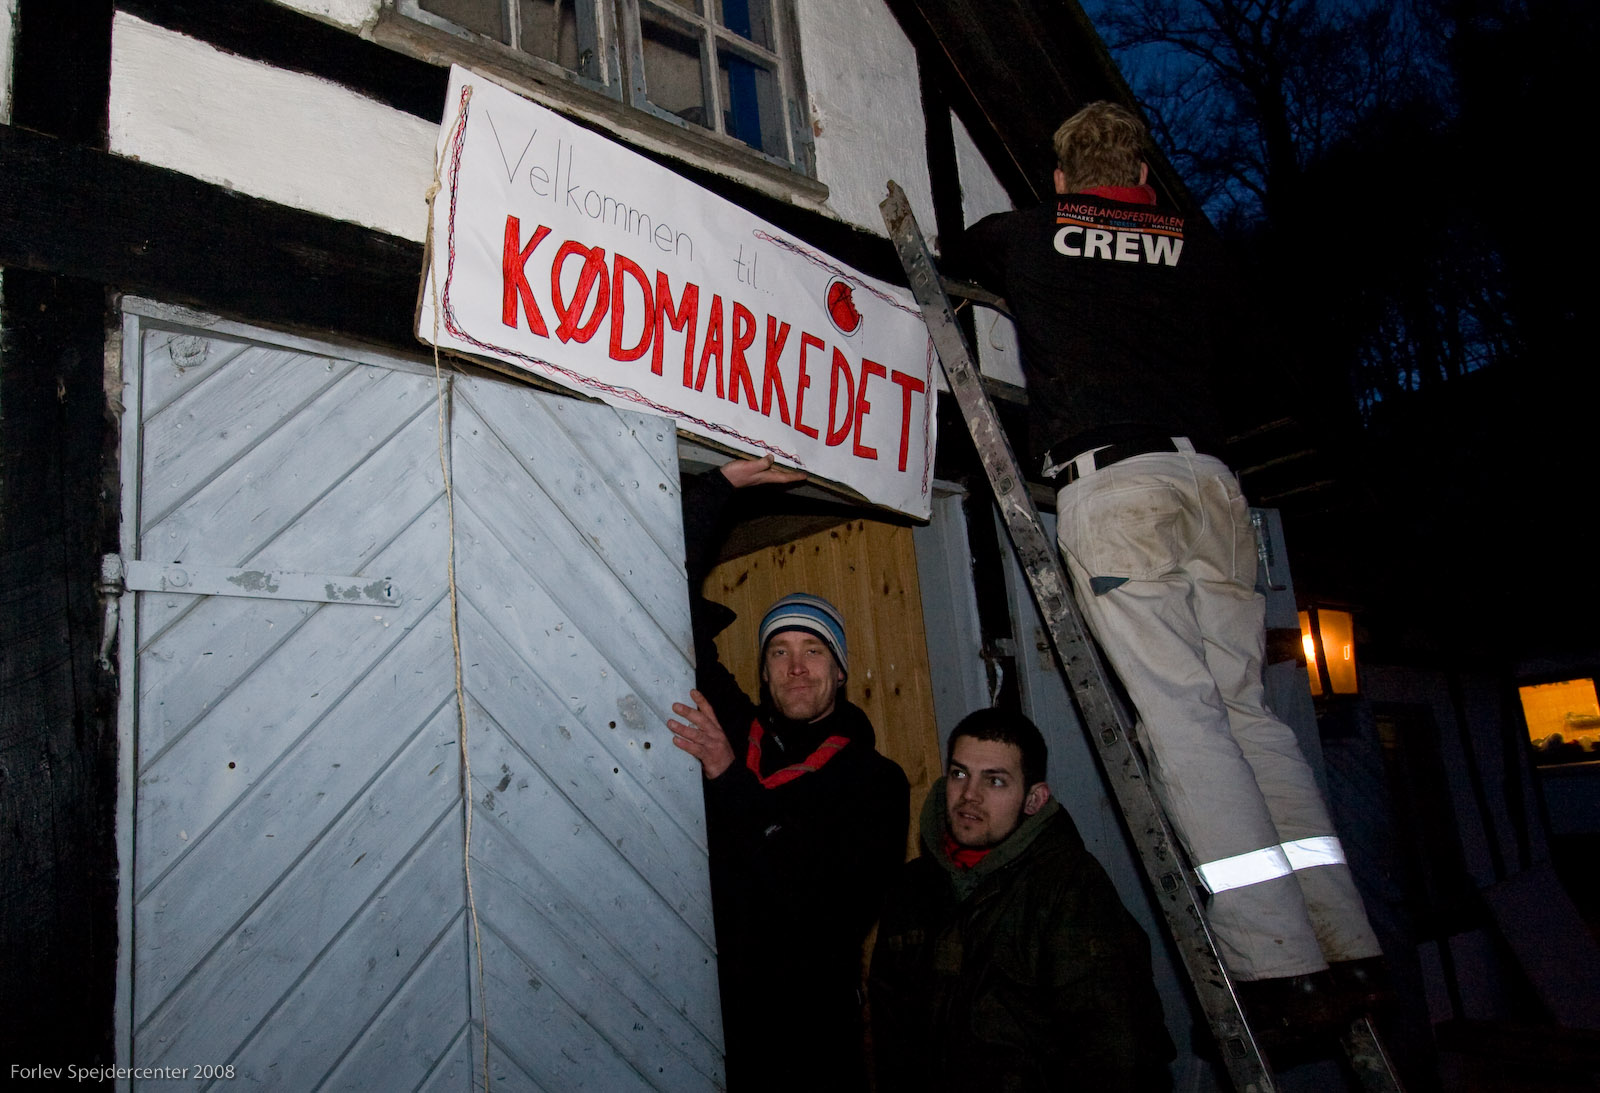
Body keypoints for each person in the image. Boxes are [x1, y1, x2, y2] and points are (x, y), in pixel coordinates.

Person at [953, 101, 1385, 1027]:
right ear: (1145, 178)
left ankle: (1277, 959)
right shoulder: (1199, 248)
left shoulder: (1032, 235)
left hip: (1120, 490)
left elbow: (967, 243)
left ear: (1061, 181)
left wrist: (1056, 235)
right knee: (1249, 716)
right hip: (1215, 491)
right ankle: (1344, 942)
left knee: (1185, 718)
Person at [668, 455, 911, 1093]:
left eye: (813, 651)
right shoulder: (738, 729)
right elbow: (666, 590)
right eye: (779, 651)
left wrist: (728, 780)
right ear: (764, 670)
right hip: (711, 1027)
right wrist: (718, 489)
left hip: (812, 1043)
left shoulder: (875, 781)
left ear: (840, 671)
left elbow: (818, 906)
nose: (795, 667)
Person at [869, 707, 1173, 1092]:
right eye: (960, 774)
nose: (969, 796)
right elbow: (891, 1036)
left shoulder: (1070, 889)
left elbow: (1115, 1051)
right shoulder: (912, 888)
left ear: (1034, 799)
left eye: (995, 781)